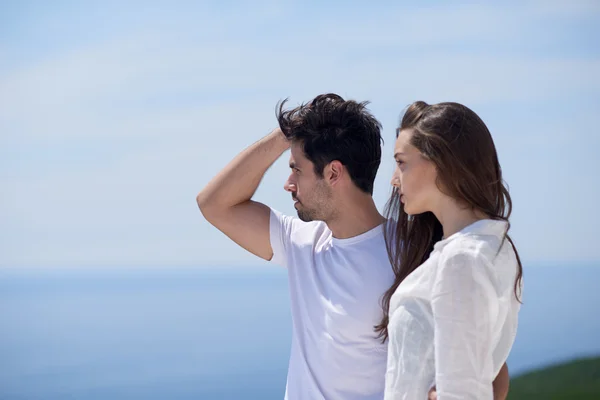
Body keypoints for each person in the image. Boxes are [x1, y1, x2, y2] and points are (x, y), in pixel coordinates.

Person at [196, 94, 509, 400]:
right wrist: (285, 133)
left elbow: (491, 371)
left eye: (296, 169)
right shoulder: (301, 242)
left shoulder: (414, 254)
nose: (288, 183)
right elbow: (214, 204)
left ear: (333, 172)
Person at [378, 101, 523, 400]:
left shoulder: (461, 259)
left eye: (402, 163)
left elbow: (462, 392)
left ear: (439, 162)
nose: (394, 179)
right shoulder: (494, 245)